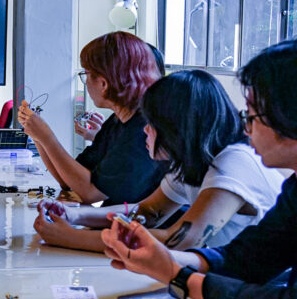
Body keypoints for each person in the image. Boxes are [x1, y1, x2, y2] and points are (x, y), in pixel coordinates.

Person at [100, 40, 297, 299]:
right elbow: (246, 257)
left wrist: (176, 273)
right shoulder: (293, 187)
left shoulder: (234, 161)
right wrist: (160, 261)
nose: (246, 129)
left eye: (253, 117)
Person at [34, 69, 284, 252]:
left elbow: (178, 239)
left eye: (152, 123)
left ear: (175, 128)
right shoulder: (191, 163)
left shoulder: (231, 165)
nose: (145, 130)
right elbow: (147, 212)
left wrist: (69, 238)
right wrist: (75, 216)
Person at [19, 32, 167, 205]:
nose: (86, 82)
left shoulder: (141, 130)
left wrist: (47, 137)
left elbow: (90, 193)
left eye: (86, 74)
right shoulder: (117, 121)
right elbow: (68, 182)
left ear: (103, 83)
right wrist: (37, 136)